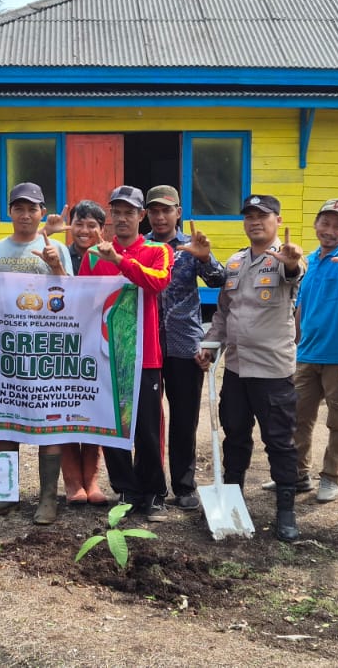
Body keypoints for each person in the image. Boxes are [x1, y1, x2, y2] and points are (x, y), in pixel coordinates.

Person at [197, 194, 304, 542]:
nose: (255, 222)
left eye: (263, 216)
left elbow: (295, 272)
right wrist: (210, 345)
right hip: (237, 369)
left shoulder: (285, 259)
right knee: (236, 437)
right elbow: (224, 313)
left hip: (272, 371)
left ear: (277, 219)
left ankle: (286, 511)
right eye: (249, 216)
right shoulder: (236, 262)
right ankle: (233, 499)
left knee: (279, 442)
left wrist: (290, 263)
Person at [0, 181, 73, 523]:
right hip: (7, 348)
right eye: (19, 207)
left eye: (33, 208)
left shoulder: (57, 249)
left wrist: (57, 268)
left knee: (49, 420)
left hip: (46, 348)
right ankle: (5, 494)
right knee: (7, 418)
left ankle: (48, 498)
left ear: (42, 213)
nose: (26, 214)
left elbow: (73, 299)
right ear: (10, 212)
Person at [81, 186, 173, 522]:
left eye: (129, 212)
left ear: (141, 216)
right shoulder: (92, 257)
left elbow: (158, 283)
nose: (122, 218)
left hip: (145, 356)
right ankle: (126, 490)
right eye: (116, 212)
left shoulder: (157, 251)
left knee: (148, 429)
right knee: (112, 427)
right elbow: (82, 302)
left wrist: (120, 261)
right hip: (107, 355)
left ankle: (154, 493)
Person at [143, 185, 225, 511]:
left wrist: (205, 257)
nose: (160, 216)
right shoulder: (141, 246)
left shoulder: (191, 247)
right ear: (146, 214)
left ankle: (184, 485)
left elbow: (218, 281)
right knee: (148, 419)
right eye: (154, 211)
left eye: (167, 210)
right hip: (147, 342)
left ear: (178, 212)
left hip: (184, 342)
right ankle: (152, 487)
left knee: (184, 417)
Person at [288, 198, 338, 503]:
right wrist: (294, 343)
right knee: (297, 419)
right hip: (306, 356)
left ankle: (332, 477)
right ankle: (296, 475)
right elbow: (301, 306)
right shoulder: (308, 262)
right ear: (316, 225)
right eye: (326, 222)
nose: (330, 230)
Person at [60, 199, 109, 505]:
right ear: (71, 226)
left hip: (97, 343)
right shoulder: (59, 254)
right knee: (63, 407)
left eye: (92, 225)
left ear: (102, 229)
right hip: (63, 344)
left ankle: (92, 480)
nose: (85, 230)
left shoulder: (107, 256)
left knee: (93, 408)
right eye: (80, 223)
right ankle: (71, 482)